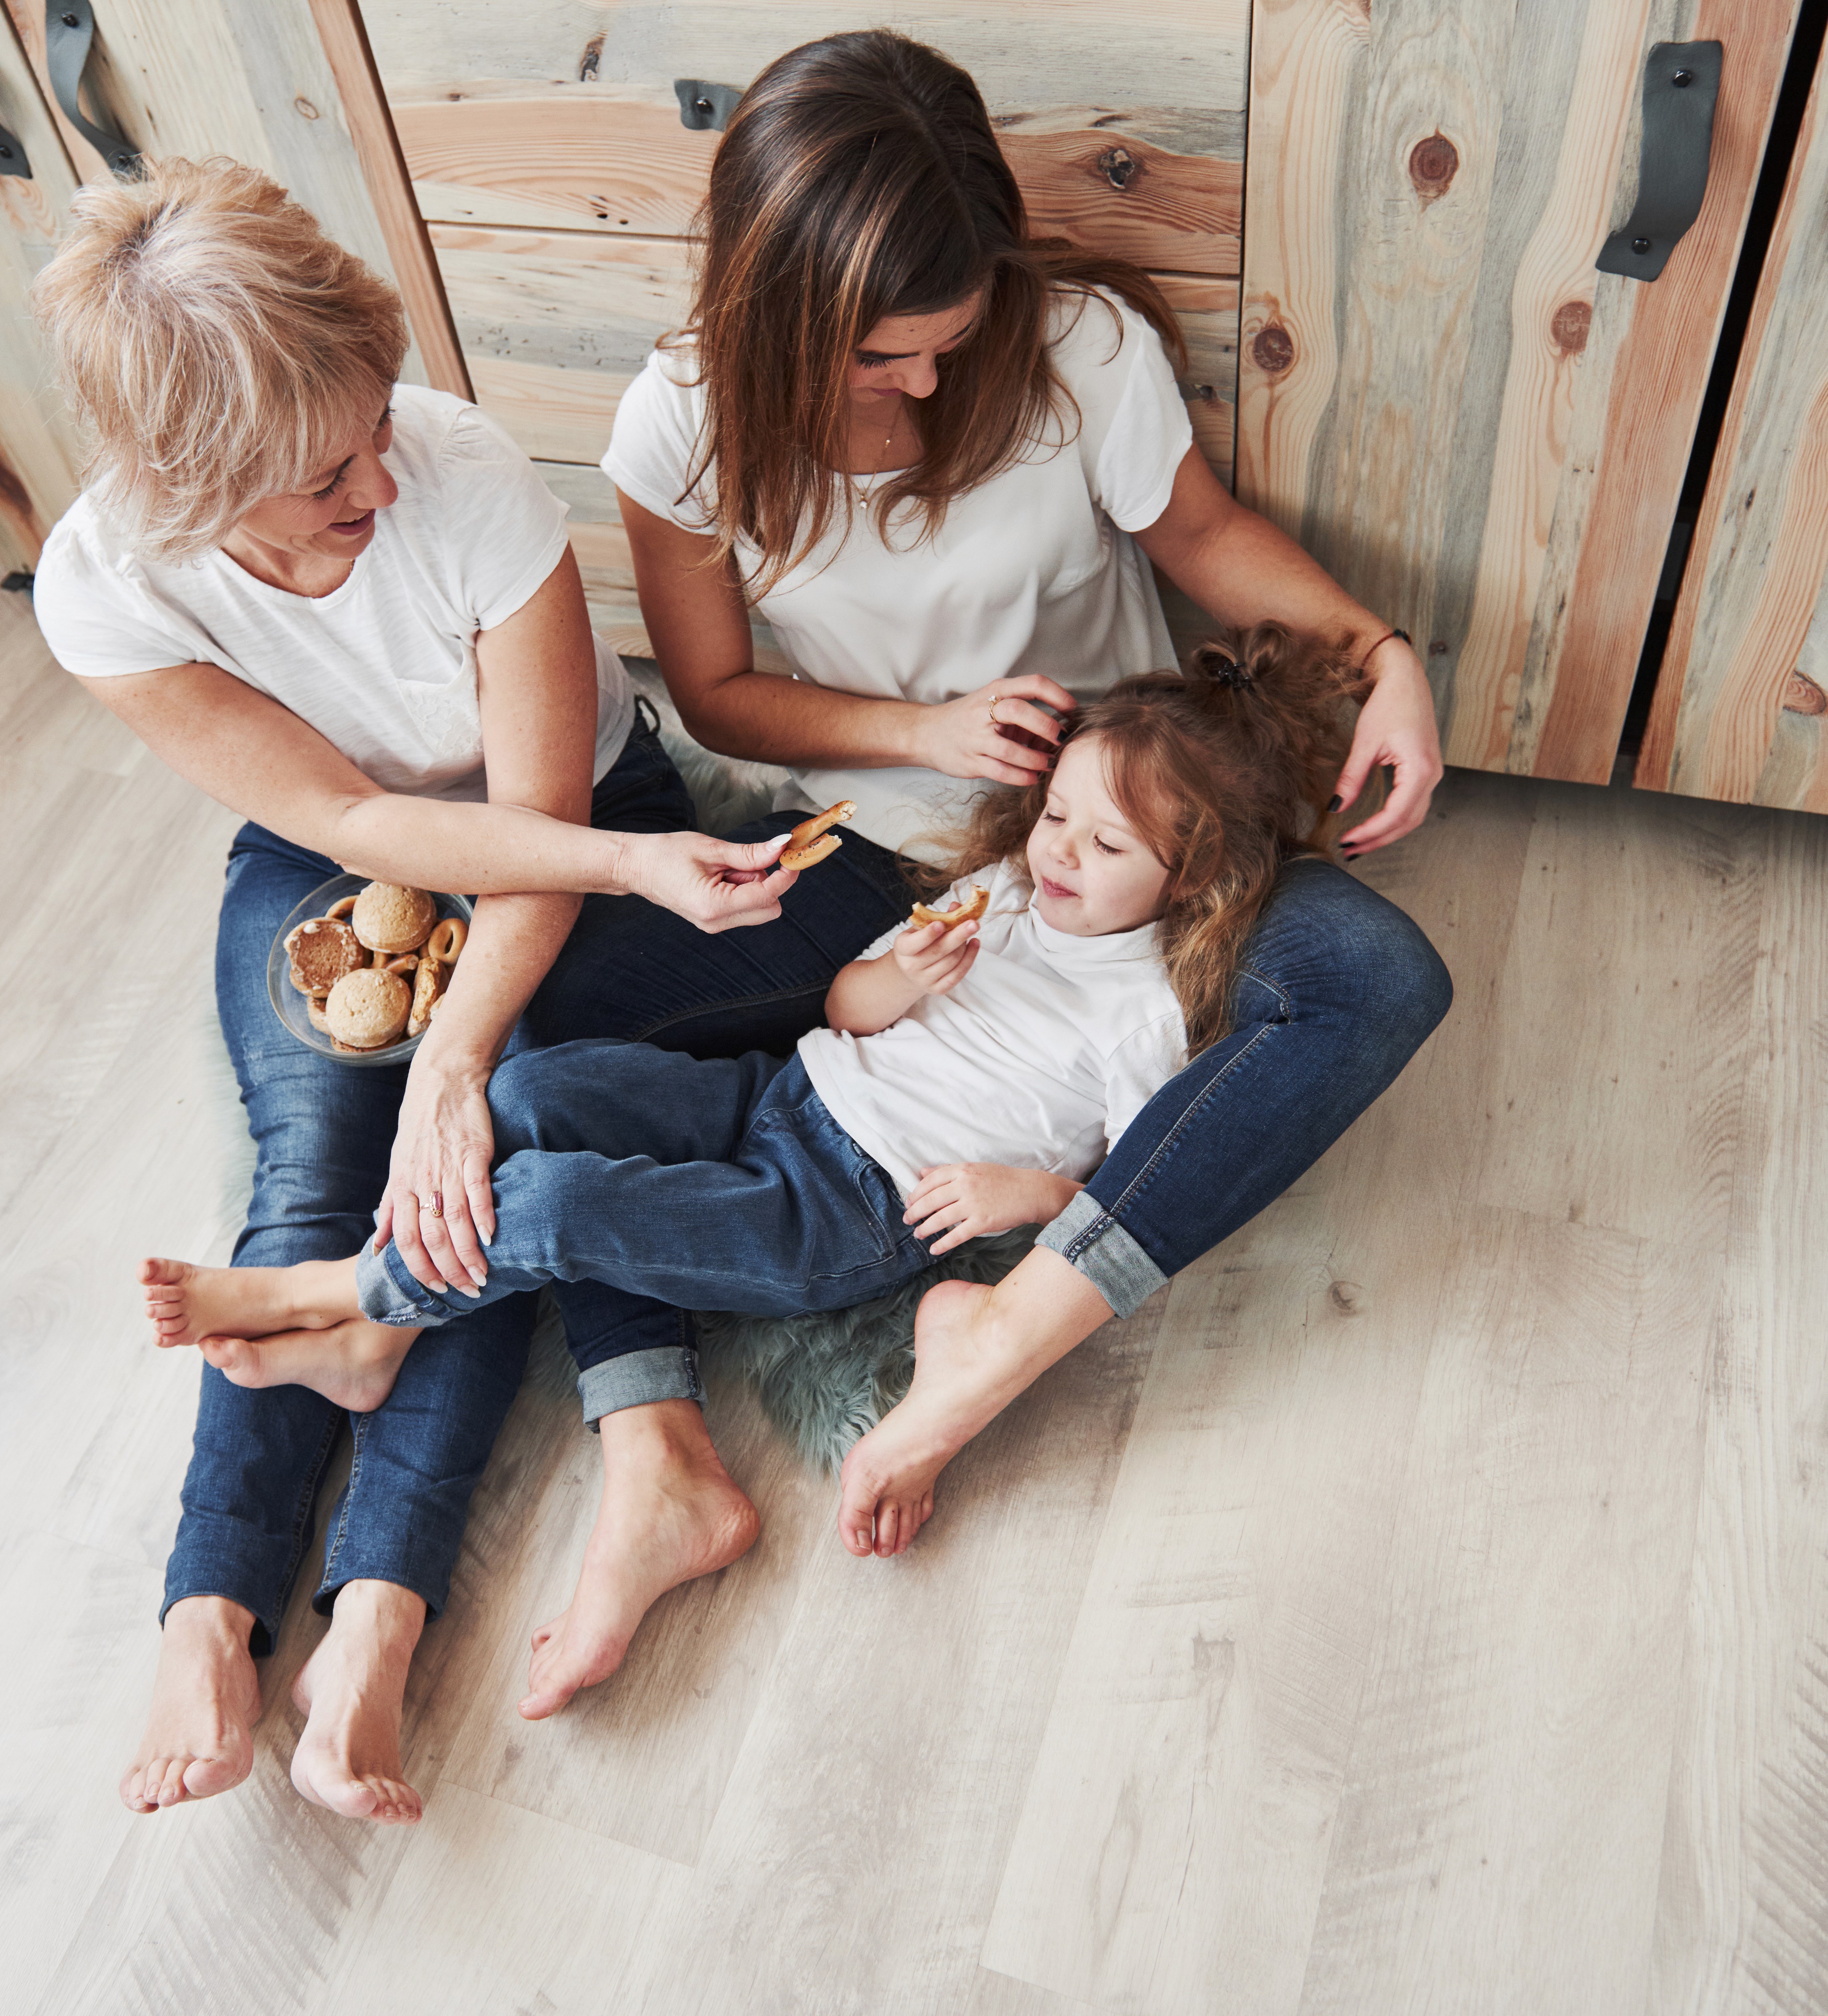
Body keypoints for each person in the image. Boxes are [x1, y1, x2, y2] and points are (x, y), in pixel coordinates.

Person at [447, 23, 1454, 1663]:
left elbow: (1196, 536)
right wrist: (919, 730)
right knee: (543, 1023)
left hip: (1092, 826)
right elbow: (716, 693)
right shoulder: (680, 423)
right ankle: (651, 1447)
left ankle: (1000, 1338)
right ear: (775, 311)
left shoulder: (1078, 349)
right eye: (877, 358)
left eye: (944, 341)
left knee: (1374, 972)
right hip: (862, 839)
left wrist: (1379, 654)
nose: (922, 384)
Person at [29, 158, 793, 1827]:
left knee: (474, 1165)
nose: (383, 469)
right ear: (184, 482)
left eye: (379, 422)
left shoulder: (461, 477)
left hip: (572, 827)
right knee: (314, 1176)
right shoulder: (106, 584)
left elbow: (541, 821)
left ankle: (371, 1624)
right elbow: (355, 820)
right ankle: (209, 1614)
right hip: (334, 848)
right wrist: (435, 1061)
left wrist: (459, 1059)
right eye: (325, 474)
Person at [143, 628, 1362, 1566]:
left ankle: (338, 1294)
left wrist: (1027, 1192)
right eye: (1056, 818)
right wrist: (896, 976)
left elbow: (1136, 1185)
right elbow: (837, 1012)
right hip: (786, 1098)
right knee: (541, 1086)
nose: (1056, 856)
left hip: (848, 1213)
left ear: (1192, 876)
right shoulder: (1000, 887)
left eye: (1103, 851)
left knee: (561, 1207)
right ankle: (385, 1332)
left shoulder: (1141, 1011)